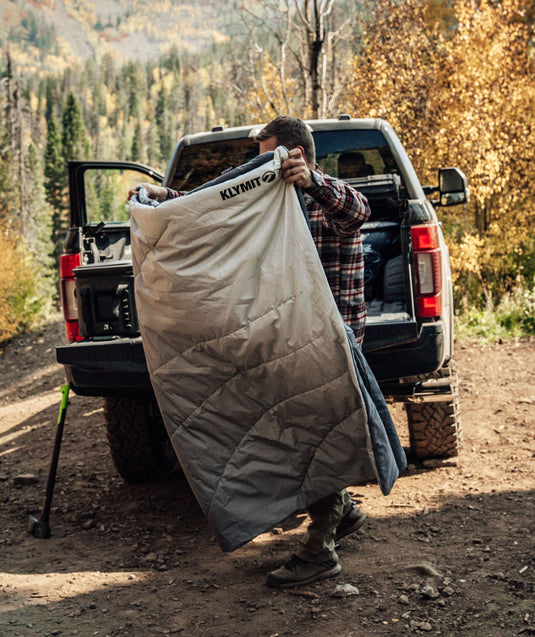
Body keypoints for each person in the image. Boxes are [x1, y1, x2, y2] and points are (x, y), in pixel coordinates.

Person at [128, 115, 371, 588]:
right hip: (286, 341)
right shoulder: (262, 201)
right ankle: (341, 512)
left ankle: (320, 552)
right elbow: (215, 204)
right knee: (304, 431)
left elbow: (359, 210)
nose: (257, 166)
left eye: (266, 156)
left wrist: (314, 181)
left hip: (332, 340)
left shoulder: (327, 199)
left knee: (315, 431)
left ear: (295, 153)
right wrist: (164, 200)